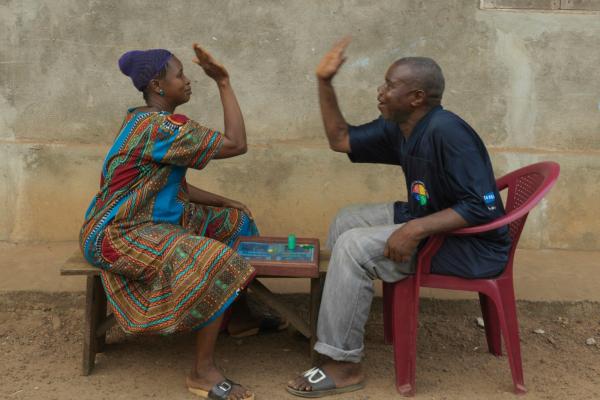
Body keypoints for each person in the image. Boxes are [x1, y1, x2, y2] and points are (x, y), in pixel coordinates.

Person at [287, 37, 511, 398]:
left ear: (417, 97)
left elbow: (482, 205)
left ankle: (344, 365)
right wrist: (324, 83)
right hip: (431, 218)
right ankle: (330, 332)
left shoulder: (448, 132)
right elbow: (340, 139)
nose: (381, 91)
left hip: (470, 246)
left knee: (354, 245)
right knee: (348, 220)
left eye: (390, 85)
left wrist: (415, 228)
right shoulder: (400, 126)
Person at [80, 45, 265, 400]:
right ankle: (202, 372)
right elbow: (237, 143)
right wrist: (223, 81)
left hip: (157, 220)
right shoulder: (161, 127)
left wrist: (223, 201)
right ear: (158, 85)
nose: (187, 80)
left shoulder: (143, 119)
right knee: (214, 258)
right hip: (118, 232)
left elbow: (165, 182)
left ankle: (239, 316)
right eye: (179, 74)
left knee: (236, 223)